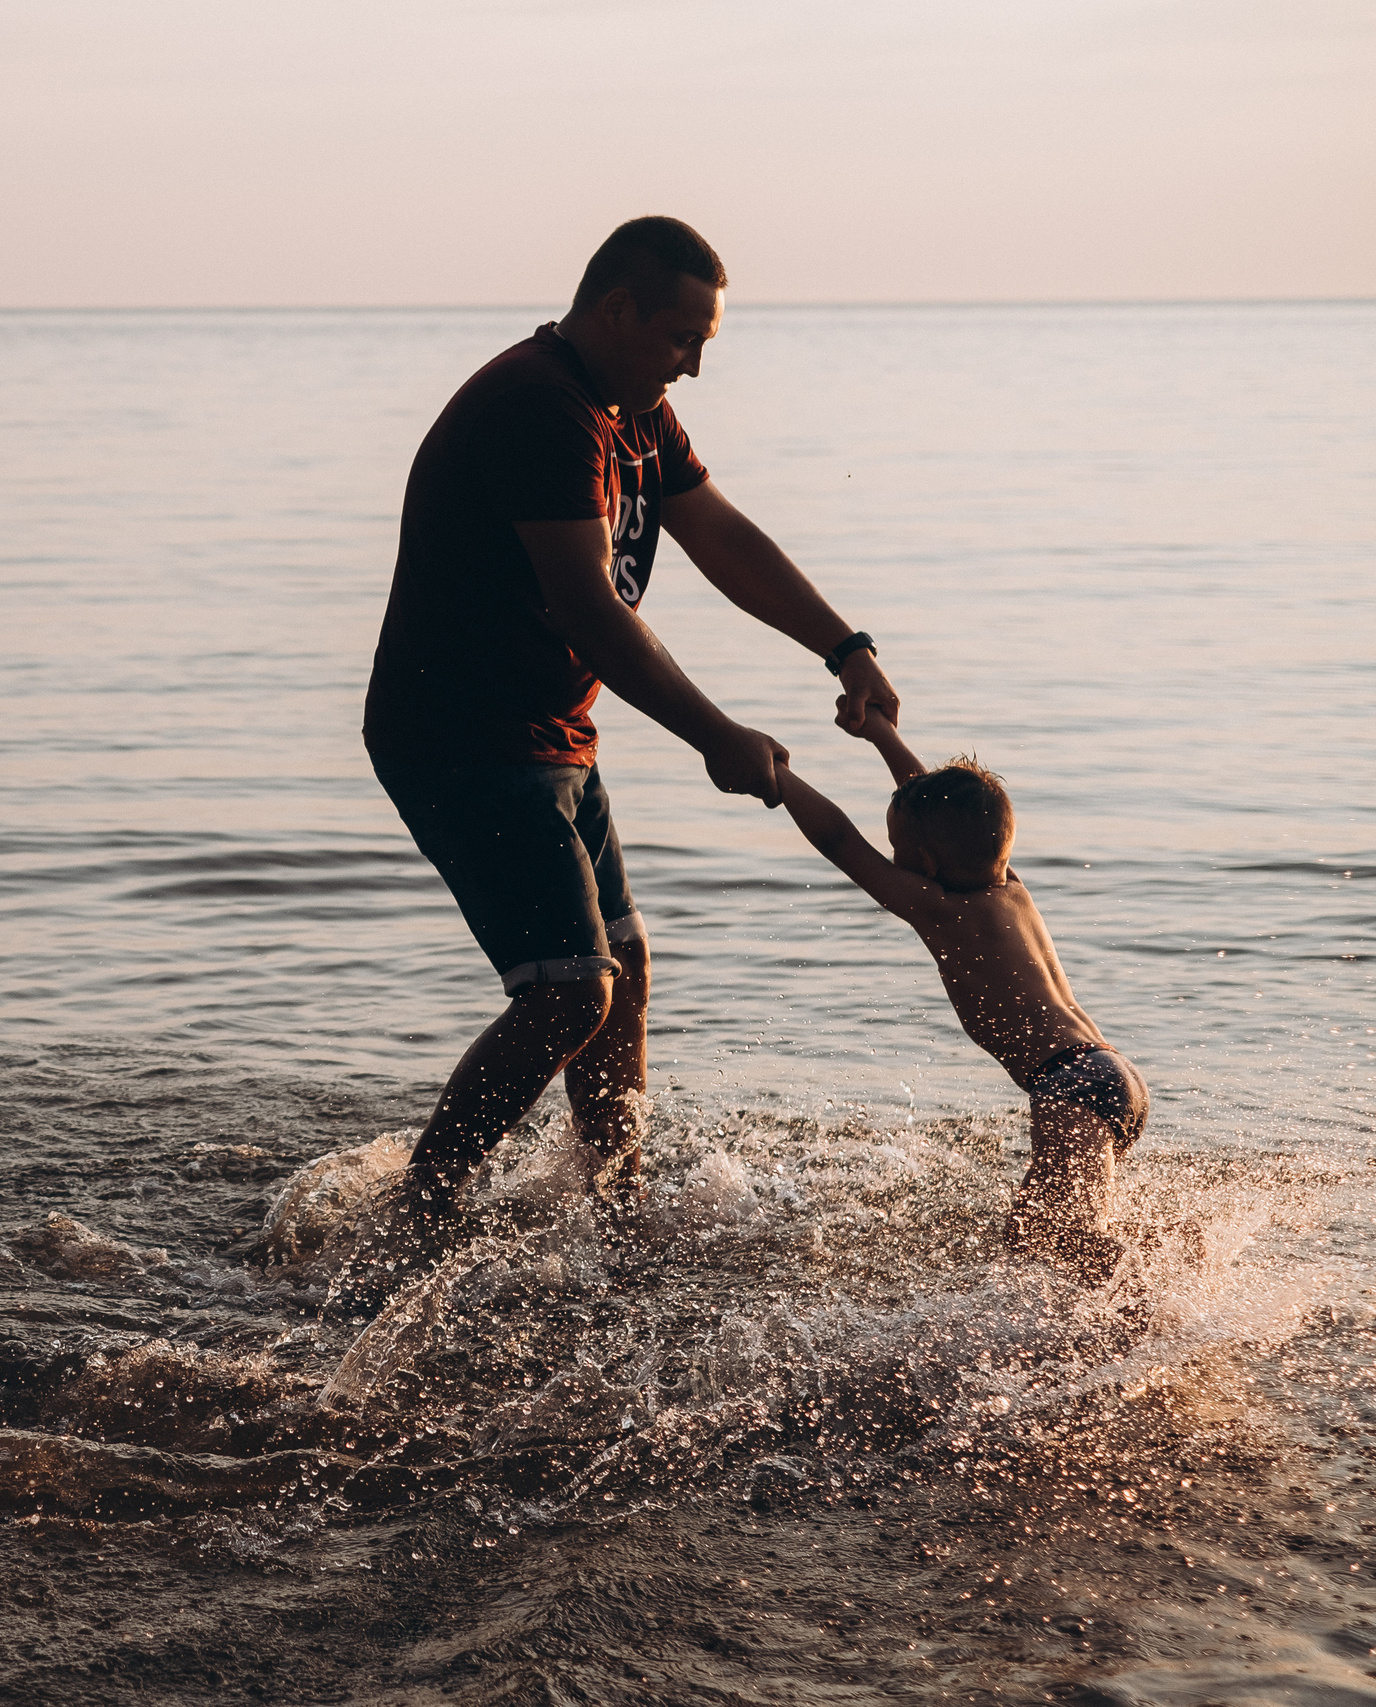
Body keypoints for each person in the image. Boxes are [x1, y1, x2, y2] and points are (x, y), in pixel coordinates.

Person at [346, 216, 899, 1308]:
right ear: (616, 311)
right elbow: (589, 611)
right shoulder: (538, 408)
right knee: (565, 997)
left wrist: (844, 644)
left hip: (548, 733)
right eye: (680, 337)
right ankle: (418, 1214)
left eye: (703, 342)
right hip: (458, 736)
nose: (693, 362)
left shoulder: (629, 406)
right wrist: (719, 737)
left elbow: (722, 535)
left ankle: (618, 1196)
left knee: (621, 977)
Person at [773, 715, 1145, 1283]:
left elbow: (841, 841)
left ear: (924, 864)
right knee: (1044, 1230)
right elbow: (940, 811)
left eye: (899, 847)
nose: (894, 856)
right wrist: (881, 735)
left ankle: (1159, 1301)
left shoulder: (942, 910)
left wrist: (779, 778)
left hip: (1067, 1085)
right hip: (1112, 1072)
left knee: (1053, 1236)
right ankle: (1160, 1275)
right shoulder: (1009, 885)